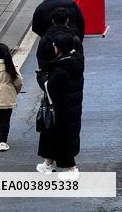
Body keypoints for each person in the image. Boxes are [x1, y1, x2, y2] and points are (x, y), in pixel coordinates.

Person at [36, 34, 84, 180]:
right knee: (50, 133)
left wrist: (41, 77)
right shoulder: (74, 62)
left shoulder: (62, 68)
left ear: (60, 48)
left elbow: (49, 87)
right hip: (69, 107)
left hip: (62, 109)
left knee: (62, 137)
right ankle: (48, 163)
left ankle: (72, 169)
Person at [36, 8, 84, 73]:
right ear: (67, 20)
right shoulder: (75, 38)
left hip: (51, 77)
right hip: (72, 76)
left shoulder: (45, 39)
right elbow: (80, 58)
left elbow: (41, 60)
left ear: (53, 21)